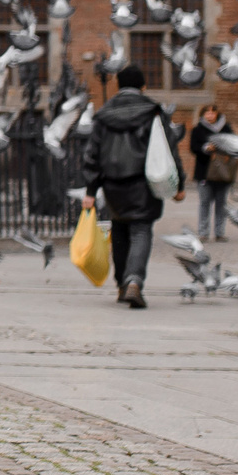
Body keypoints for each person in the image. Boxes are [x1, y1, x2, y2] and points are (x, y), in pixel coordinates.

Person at [80, 63, 183, 308]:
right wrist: (179, 183)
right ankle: (134, 280)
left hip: (113, 184)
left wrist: (91, 191)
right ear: (143, 86)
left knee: (120, 231)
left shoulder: (104, 115)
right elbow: (169, 149)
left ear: (118, 85)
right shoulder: (153, 113)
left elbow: (91, 154)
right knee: (140, 231)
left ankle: (121, 285)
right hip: (143, 182)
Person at [186, 102, 237, 242]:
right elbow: (193, 147)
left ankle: (219, 232)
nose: (210, 115)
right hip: (204, 171)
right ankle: (203, 232)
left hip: (222, 172)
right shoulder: (198, 130)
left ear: (217, 114)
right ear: (202, 115)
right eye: (207, 113)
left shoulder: (226, 128)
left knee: (221, 203)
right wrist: (205, 148)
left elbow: (234, 144)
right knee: (204, 203)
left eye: (212, 112)